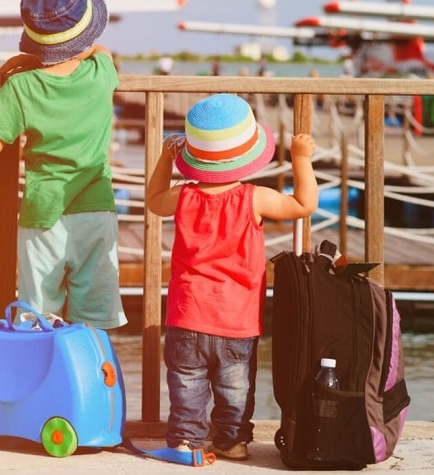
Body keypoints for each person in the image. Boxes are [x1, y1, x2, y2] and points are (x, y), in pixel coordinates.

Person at [146, 94, 318, 461]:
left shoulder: (182, 197)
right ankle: (232, 440)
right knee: (235, 388)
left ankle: (187, 443)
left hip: (186, 315)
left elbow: (153, 198)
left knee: (187, 386)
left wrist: (165, 157)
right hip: (237, 321)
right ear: (247, 156)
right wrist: (301, 160)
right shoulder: (254, 198)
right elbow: (302, 205)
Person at [0, 0, 127, 330]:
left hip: (43, 212)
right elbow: (101, 50)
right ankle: (93, 375)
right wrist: (46, 54)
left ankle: (42, 377)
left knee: (37, 315)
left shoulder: (20, 87)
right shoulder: (100, 73)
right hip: (95, 209)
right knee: (95, 317)